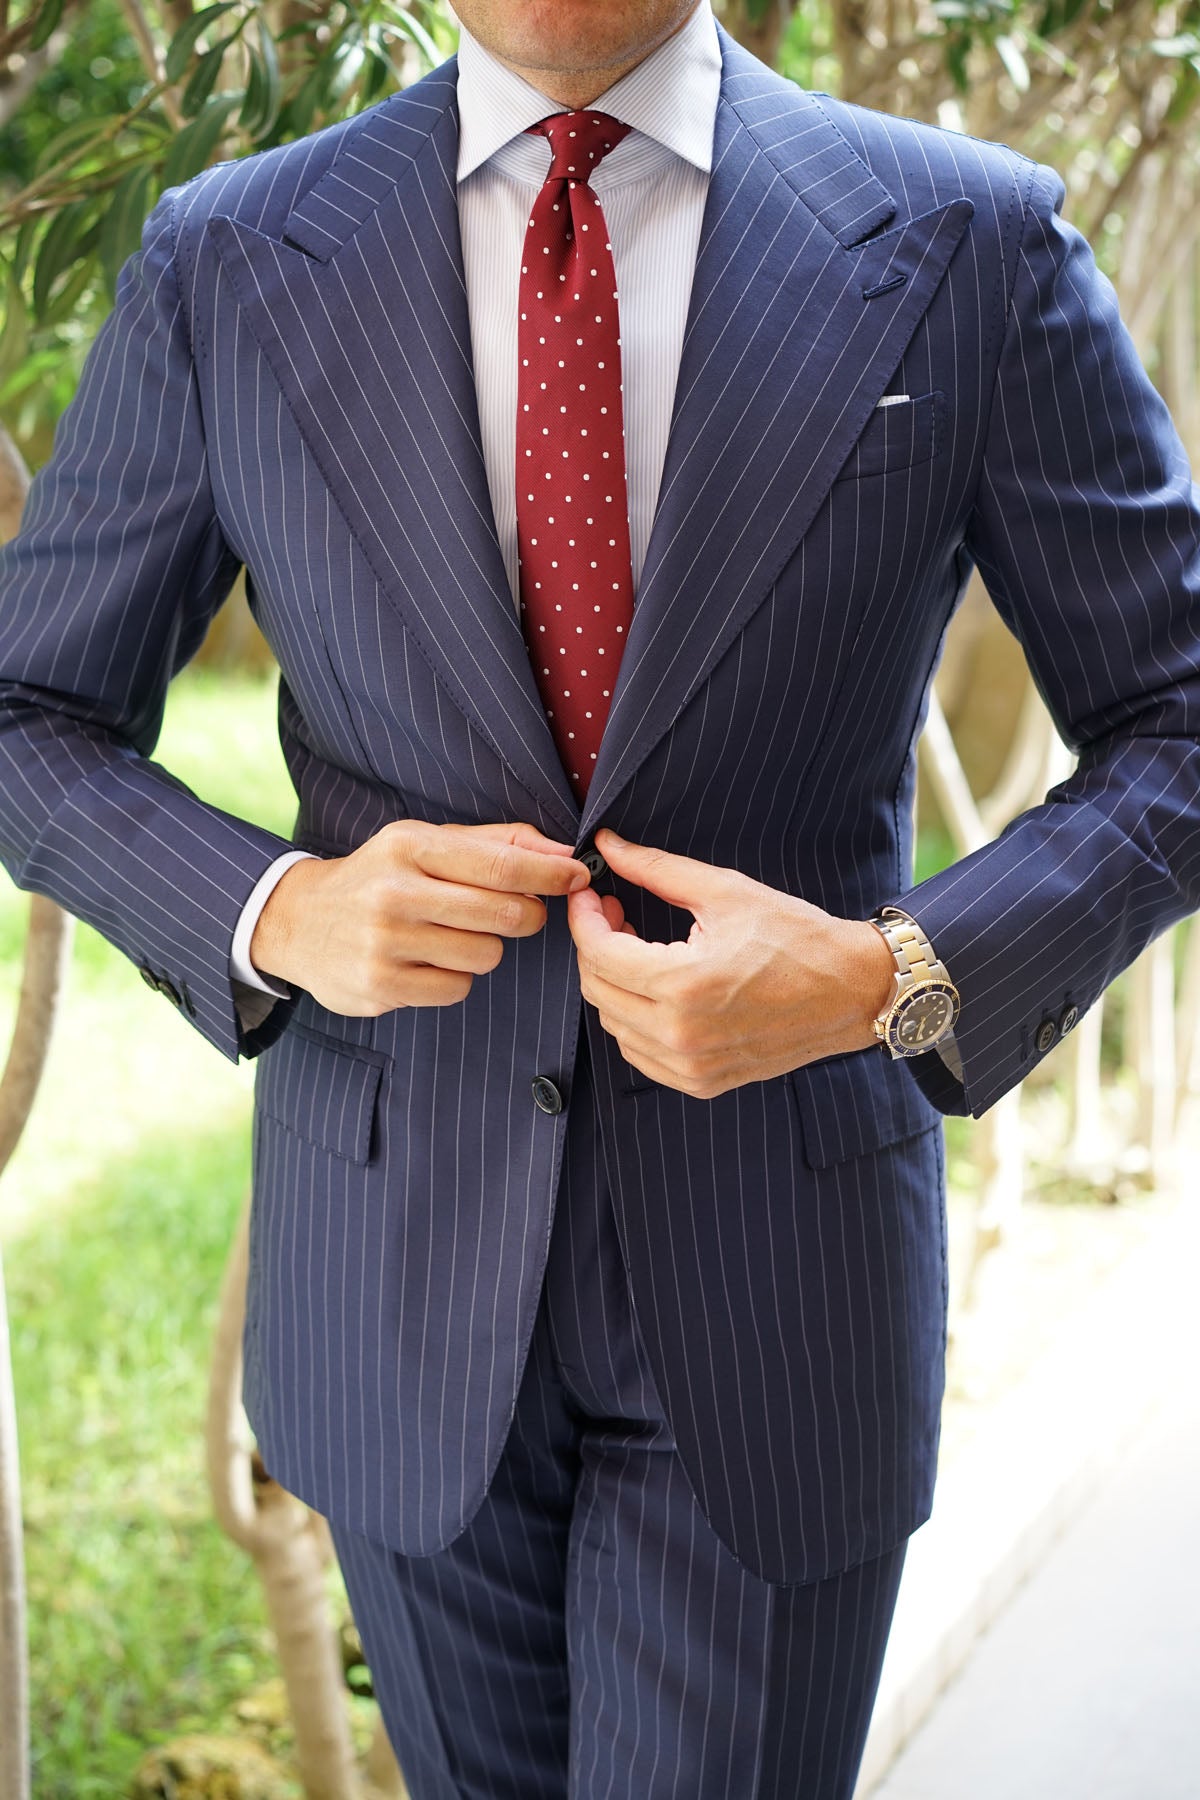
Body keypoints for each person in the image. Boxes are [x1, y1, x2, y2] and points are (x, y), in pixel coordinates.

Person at [2, 0, 1199, 1792]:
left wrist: (896, 974)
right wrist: (275, 909)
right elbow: (32, 709)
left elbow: (1176, 718)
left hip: (775, 1288)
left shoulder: (967, 243)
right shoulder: (230, 257)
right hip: (394, 1289)